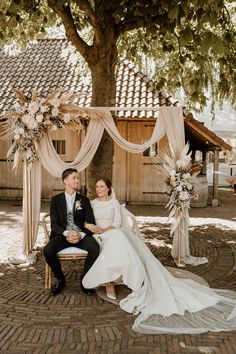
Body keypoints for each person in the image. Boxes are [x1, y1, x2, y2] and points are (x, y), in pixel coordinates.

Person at [82, 178, 236, 334]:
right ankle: (111, 281)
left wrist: (105, 230)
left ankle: (125, 279)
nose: (99, 189)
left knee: (118, 239)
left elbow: (116, 223)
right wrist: (93, 228)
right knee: (114, 242)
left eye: (102, 186)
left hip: (111, 231)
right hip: (97, 235)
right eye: (97, 186)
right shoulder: (92, 203)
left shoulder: (114, 203)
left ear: (109, 189)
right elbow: (86, 221)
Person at [43, 168, 100, 296]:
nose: (77, 180)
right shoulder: (56, 200)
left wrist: (81, 234)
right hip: (62, 235)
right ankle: (61, 280)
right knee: (47, 250)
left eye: (78, 178)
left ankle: (85, 280)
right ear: (65, 180)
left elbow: (91, 222)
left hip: (81, 235)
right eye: (74, 178)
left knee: (95, 248)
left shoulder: (84, 200)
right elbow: (54, 224)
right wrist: (66, 233)